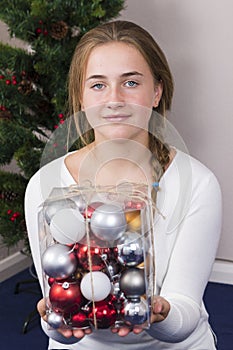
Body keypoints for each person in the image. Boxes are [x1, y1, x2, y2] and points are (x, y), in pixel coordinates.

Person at [25, 20, 222, 349]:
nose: (114, 99)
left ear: (157, 91)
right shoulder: (45, 187)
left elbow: (185, 314)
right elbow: (59, 323)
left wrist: (158, 313)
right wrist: (55, 321)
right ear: (81, 97)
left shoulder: (198, 183)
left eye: (130, 82)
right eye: (98, 85)